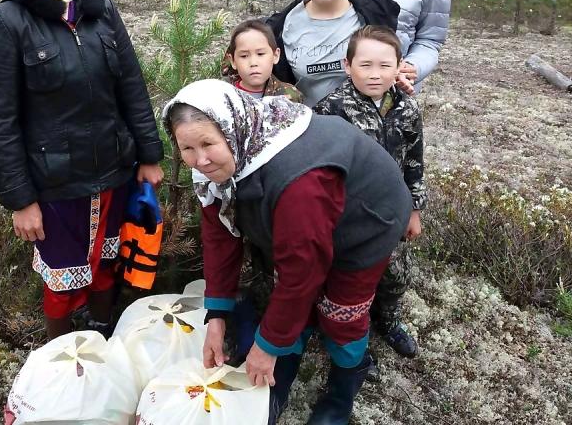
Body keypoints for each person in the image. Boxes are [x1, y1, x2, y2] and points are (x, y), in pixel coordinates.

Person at [162, 79, 412, 425]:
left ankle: (345, 381)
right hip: (306, 223)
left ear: (233, 129)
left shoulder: (299, 180)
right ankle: (285, 356)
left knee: (343, 310)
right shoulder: (226, 159)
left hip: (365, 220)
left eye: (208, 143)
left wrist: (264, 347)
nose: (199, 160)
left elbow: (302, 271)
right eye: (187, 148)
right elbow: (220, 235)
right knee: (294, 294)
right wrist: (216, 314)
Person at [0, 0, 164, 340]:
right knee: (61, 279)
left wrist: (149, 155)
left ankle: (100, 334)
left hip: (115, 171)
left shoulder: (99, 10)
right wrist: (20, 199)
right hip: (54, 183)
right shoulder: (4, 23)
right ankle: (59, 354)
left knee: (107, 266)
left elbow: (131, 84)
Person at [314, 26, 425, 379]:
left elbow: (415, 161)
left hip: (392, 214)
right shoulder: (330, 109)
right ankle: (347, 340)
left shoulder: (407, 108)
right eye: (365, 65)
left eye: (384, 65)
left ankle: (388, 320)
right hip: (348, 217)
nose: (374, 73)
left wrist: (414, 208)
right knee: (348, 283)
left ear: (398, 67)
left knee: (395, 276)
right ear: (348, 66)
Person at [267, 0, 401, 107]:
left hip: (366, 127)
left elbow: (390, 64)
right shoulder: (280, 27)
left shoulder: (375, 13)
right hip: (308, 126)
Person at [222, 19, 302, 101]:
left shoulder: (290, 96)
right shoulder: (222, 95)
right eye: (244, 56)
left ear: (275, 55)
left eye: (260, 54)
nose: (253, 63)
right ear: (232, 61)